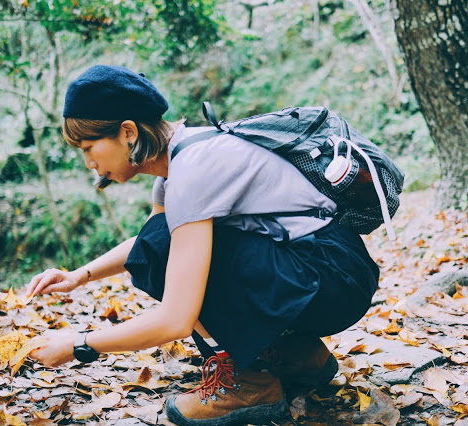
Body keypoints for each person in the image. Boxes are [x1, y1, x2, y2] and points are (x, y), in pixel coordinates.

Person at [26, 64, 380, 426]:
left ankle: (249, 383)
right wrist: (78, 276)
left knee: (172, 255)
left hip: (332, 279)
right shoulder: (181, 159)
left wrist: (79, 344)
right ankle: (298, 355)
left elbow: (175, 319)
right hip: (331, 268)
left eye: (89, 147)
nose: (89, 163)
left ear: (128, 132)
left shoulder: (192, 169)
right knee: (163, 243)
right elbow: (148, 243)